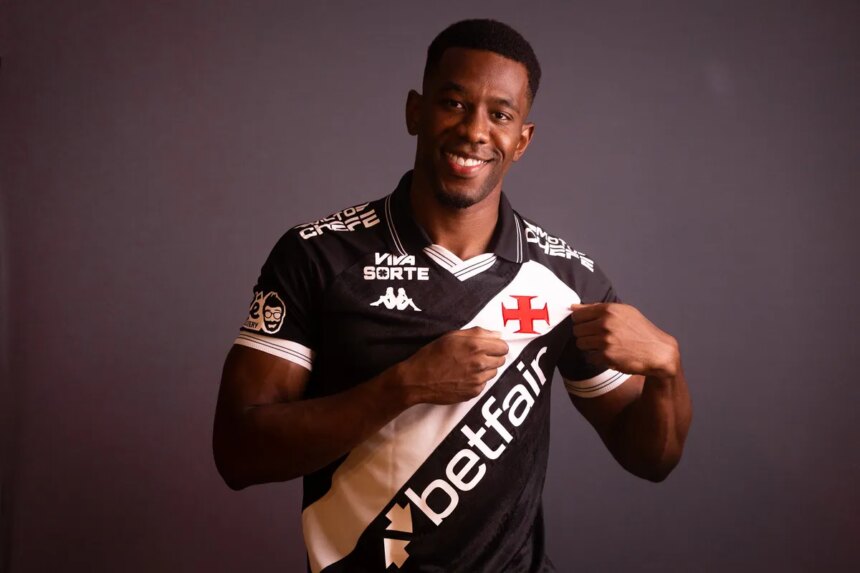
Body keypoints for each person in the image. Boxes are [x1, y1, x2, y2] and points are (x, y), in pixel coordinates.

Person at [213, 19, 692, 573]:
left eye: (500, 115)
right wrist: (403, 386)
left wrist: (667, 369)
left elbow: (651, 459)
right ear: (415, 112)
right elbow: (238, 453)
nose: (474, 131)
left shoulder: (564, 281)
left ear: (522, 140)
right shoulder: (318, 256)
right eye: (454, 103)